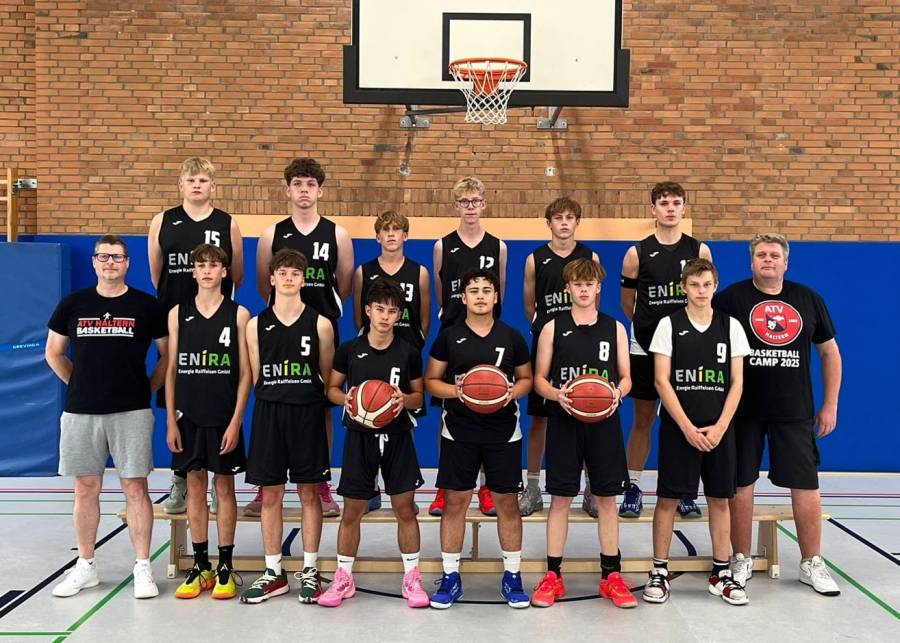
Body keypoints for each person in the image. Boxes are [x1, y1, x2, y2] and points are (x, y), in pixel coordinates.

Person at [715, 233, 842, 596]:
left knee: (806, 485)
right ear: (751, 262)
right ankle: (740, 558)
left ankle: (811, 562)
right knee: (741, 485)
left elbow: (830, 353)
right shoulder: (730, 300)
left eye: (774, 255)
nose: (767, 259)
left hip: (794, 411)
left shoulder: (808, 299)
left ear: (786, 262)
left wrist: (830, 404)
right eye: (761, 255)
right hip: (743, 411)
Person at [46, 235, 168, 599]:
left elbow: (167, 355)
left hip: (131, 410)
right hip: (81, 412)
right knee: (85, 488)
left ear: (128, 263)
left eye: (117, 257)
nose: (110, 262)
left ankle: (142, 566)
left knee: (136, 488)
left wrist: (147, 389)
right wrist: (78, 384)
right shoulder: (72, 304)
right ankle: (86, 564)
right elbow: (54, 353)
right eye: (103, 256)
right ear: (94, 262)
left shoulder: (146, 306)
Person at [643, 258, 750, 606]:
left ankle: (721, 572)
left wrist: (720, 427)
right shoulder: (668, 325)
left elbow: (737, 382)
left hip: (719, 430)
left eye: (706, 285)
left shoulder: (731, 326)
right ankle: (659, 570)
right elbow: (661, 380)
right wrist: (687, 428)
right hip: (679, 430)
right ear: (683, 287)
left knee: (720, 499)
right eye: (694, 285)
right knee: (667, 500)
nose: (701, 291)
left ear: (715, 286)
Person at [531, 258, 636, 609]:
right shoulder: (552, 328)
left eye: (589, 284)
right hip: (564, 421)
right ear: (568, 288)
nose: (584, 290)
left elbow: (627, 377)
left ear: (599, 288)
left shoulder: (615, 328)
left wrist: (616, 393)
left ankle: (611, 576)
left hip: (604, 422)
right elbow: (539, 380)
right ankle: (553, 575)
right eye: (577, 284)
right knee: (560, 499)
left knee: (606, 499)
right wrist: (556, 394)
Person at [425, 269, 532, 609]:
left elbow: (527, 379)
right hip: (459, 430)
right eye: (474, 290)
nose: (481, 296)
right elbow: (431, 381)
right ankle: (450, 576)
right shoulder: (449, 336)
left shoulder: (512, 336)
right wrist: (457, 391)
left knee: (507, 504)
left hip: (504, 431)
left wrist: (511, 391)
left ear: (496, 297)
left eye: (487, 290)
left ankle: (512, 576)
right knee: (455, 503)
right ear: (464, 297)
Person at [319, 280, 428, 608]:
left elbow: (419, 396)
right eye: (379, 309)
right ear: (367, 310)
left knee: (405, 509)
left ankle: (412, 578)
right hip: (359, 437)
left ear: (399, 315)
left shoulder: (408, 352)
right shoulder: (350, 349)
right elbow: (332, 389)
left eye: (392, 311)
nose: (385, 316)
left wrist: (404, 399)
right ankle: (343, 577)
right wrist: (348, 399)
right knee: (352, 510)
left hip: (398, 438)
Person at [254, 157, 354, 518]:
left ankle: (320, 482)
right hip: (279, 330)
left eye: (311, 184)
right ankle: (268, 483)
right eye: (297, 184)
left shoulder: (337, 234)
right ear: (288, 190)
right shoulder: (271, 234)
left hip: (322, 330)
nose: (304, 190)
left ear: (320, 191)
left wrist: (318, 316)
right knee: (272, 402)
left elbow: (344, 285)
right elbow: (263, 283)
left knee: (322, 404)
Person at [147, 157, 244, 516]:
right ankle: (180, 477)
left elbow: (238, 274)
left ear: (213, 186)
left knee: (216, 393)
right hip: (177, 319)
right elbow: (157, 274)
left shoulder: (227, 223)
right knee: (177, 392)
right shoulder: (162, 221)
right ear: (181, 185)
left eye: (203, 180)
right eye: (191, 180)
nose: (197, 185)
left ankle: (220, 480)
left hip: (216, 317)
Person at [240, 249, 335, 604]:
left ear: (304, 279)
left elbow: (325, 375)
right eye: (283, 272)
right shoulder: (255, 325)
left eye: (296, 272)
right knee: (271, 495)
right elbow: (256, 374)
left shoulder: (321, 324)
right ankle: (273, 572)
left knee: (310, 493)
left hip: (307, 414)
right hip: (270, 414)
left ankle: (309, 569)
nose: (289, 278)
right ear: (272, 278)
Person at [619, 181, 712, 519]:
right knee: (643, 419)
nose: (670, 208)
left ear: (684, 208)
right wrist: (651, 332)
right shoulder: (637, 253)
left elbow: (703, 297)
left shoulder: (699, 250)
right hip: (645, 347)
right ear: (653, 209)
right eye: (663, 203)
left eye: (676, 203)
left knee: (684, 419)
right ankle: (632, 487)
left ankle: (685, 489)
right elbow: (628, 303)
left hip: (686, 349)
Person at [165, 244, 251, 600]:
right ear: (193, 271)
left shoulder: (239, 314)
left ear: (224, 272)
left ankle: (225, 565)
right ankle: (201, 564)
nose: (206, 271)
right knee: (196, 485)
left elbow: (246, 373)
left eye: (213, 265)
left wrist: (236, 421)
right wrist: (170, 420)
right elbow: (171, 369)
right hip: (187, 416)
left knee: (225, 488)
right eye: (200, 265)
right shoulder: (177, 313)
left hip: (222, 416)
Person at [430, 177, 508, 517]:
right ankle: (445, 487)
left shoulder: (498, 247)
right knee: (448, 412)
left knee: (489, 407)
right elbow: (441, 295)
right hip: (454, 336)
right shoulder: (442, 246)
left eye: (476, 201)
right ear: (456, 205)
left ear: (484, 204)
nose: (471, 207)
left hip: (490, 337)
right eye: (464, 201)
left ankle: (487, 487)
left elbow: (500, 291)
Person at [518, 197, 598, 518]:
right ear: (548, 223)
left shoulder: (589, 256)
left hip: (582, 345)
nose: (564, 223)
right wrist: (547, 331)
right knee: (540, 418)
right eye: (558, 218)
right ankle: (533, 487)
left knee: (588, 413)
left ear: (577, 222)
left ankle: (591, 488)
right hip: (547, 344)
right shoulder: (535, 259)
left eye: (569, 218)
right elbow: (530, 305)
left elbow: (593, 302)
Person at [352, 210, 430, 513]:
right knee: (368, 411)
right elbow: (359, 318)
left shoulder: (419, 272)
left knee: (403, 418)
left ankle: (403, 488)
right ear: (378, 237)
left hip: (404, 353)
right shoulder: (364, 271)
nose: (391, 235)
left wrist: (411, 346)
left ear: (405, 236)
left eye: (397, 230)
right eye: (385, 230)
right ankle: (370, 488)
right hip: (372, 350)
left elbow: (424, 319)